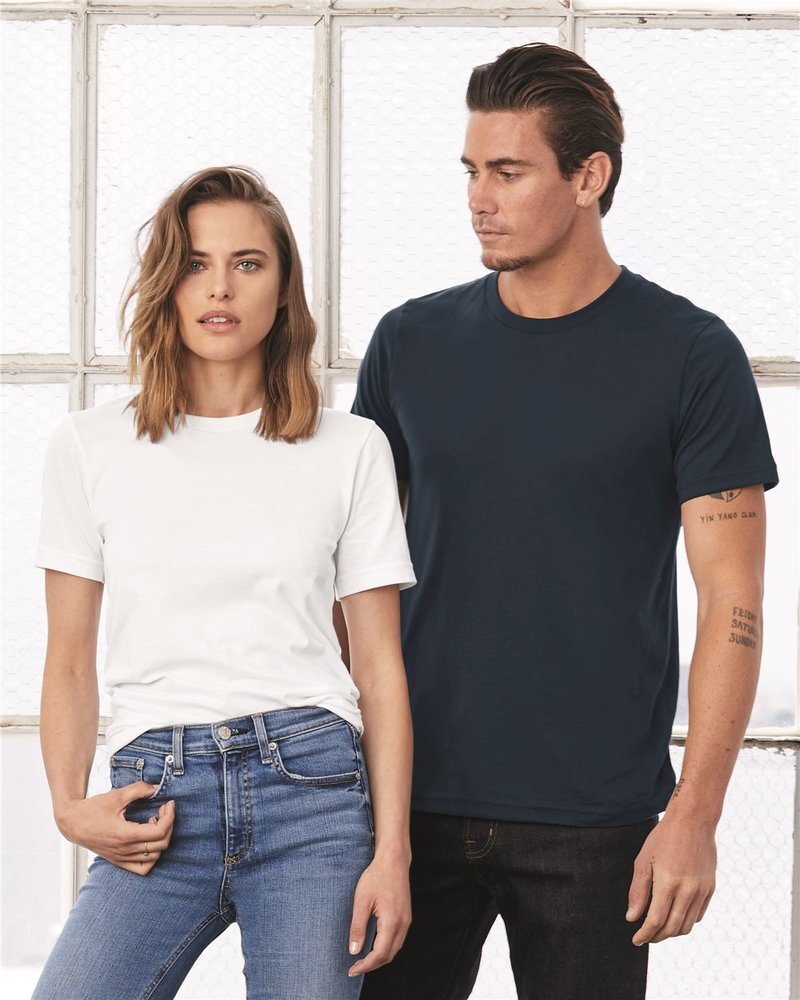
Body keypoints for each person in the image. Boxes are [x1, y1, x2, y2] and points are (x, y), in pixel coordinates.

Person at [350, 43, 778, 1000]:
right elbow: (352, 576)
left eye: (508, 172)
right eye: (471, 170)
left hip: (598, 823)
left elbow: (733, 600)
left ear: (590, 177)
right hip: (408, 808)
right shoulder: (409, 344)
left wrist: (696, 813)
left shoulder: (692, 355)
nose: (479, 199)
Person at [33, 166, 415, 1000]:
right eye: (195, 263)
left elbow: (380, 669)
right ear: (167, 285)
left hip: (312, 794)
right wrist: (68, 805)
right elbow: (68, 656)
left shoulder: (351, 449)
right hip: (155, 798)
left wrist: (393, 852)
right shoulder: (89, 446)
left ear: (283, 288)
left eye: (248, 263)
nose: (220, 287)